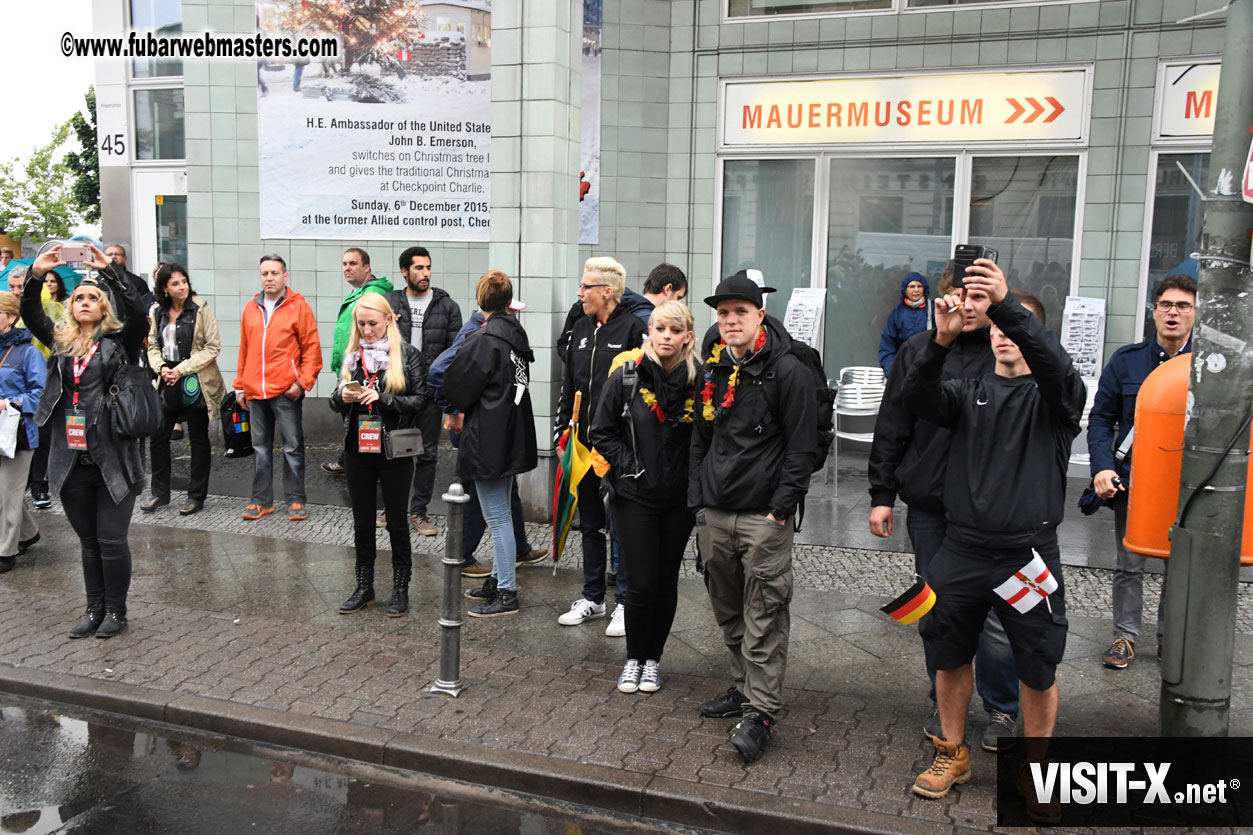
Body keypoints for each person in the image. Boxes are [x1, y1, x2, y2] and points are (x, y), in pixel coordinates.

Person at [903, 262, 1084, 812]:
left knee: (1036, 660)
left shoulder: (1057, 399)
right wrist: (940, 339)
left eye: (1016, 323)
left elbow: (1056, 368)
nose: (1004, 331)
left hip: (1026, 556)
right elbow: (917, 397)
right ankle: (952, 752)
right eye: (1000, 323)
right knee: (946, 649)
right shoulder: (967, 391)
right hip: (960, 550)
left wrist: (1005, 305)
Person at [868, 269, 1020, 753]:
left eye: (978, 297)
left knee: (998, 617)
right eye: (958, 296)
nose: (967, 307)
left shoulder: (1006, 348)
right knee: (939, 610)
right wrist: (881, 494)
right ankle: (944, 695)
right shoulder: (918, 349)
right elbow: (893, 421)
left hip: (994, 511)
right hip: (932, 505)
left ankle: (1002, 704)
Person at [689, 271, 815, 764]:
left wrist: (780, 508)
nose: (729, 321)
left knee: (765, 612)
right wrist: (699, 498)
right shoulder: (714, 368)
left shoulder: (789, 370)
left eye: (739, 312)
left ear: (760, 313)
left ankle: (761, 713)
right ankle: (744, 688)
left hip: (765, 517)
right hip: (716, 513)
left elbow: (804, 447)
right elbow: (701, 437)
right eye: (722, 314)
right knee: (728, 609)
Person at [23, 244, 148, 639]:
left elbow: (139, 315)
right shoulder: (62, 344)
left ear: (103, 306)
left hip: (114, 458)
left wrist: (109, 271)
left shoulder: (120, 343)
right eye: (80, 297)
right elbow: (31, 314)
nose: (86, 302)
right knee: (89, 542)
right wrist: (35, 276)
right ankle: (94, 608)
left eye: (94, 298)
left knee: (112, 540)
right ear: (71, 306)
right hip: (72, 457)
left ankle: (117, 611)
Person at [1088, 274, 1197, 670]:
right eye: (1166, 305)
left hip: (1189, 487)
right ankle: (1125, 637)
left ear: (1194, 314)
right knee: (1128, 563)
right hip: (1136, 483)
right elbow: (1100, 419)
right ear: (1154, 311)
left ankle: (1172, 639)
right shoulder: (1128, 360)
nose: (1173, 313)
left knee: (1179, 566)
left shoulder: (1208, 367)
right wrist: (1101, 466)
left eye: (1183, 306)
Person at [590, 300, 698, 695]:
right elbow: (600, 430)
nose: (666, 336)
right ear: (649, 333)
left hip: (679, 499)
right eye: (659, 329)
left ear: (688, 336)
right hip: (634, 496)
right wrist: (628, 465)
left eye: (674, 330)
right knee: (641, 582)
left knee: (666, 580)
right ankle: (634, 659)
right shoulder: (627, 376)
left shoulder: (699, 382)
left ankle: (653, 659)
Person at [554, 257, 647, 636]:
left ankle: (625, 601)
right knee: (589, 523)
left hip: (617, 449)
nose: (579, 293)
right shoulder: (579, 327)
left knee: (620, 526)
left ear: (607, 292)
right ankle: (593, 596)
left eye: (585, 286)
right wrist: (563, 428)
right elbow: (569, 383)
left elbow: (641, 392)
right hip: (582, 444)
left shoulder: (634, 329)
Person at [427, 301, 548, 576]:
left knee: (502, 502)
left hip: (494, 433)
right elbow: (439, 372)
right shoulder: (477, 334)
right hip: (482, 433)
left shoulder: (501, 335)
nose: (514, 315)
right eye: (511, 309)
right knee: (483, 502)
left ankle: (513, 556)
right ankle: (466, 557)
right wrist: (453, 410)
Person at [444, 271, 538, 618]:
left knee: (497, 518)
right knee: (501, 515)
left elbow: (458, 386)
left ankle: (506, 591)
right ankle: (498, 579)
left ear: (481, 299)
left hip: (490, 438)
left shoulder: (484, 340)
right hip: (512, 434)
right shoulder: (516, 336)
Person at [331, 292, 428, 618]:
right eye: (362, 325)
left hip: (394, 451)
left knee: (397, 522)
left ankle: (401, 589)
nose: (367, 330)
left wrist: (384, 399)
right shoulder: (352, 356)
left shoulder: (408, 355)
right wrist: (342, 395)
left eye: (373, 323)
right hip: (358, 448)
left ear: (389, 320)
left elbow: (421, 401)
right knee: (361, 522)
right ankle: (364, 587)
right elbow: (335, 399)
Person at [234, 255, 323, 522]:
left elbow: (312, 350)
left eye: (274, 273)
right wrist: (240, 386)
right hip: (256, 392)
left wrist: (302, 383)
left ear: (286, 276)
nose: (269, 278)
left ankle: (296, 500)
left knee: (292, 447)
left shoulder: (299, 307)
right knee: (259, 448)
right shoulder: (251, 308)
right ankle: (261, 501)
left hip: (287, 391)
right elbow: (244, 351)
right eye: (264, 273)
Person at [385, 245, 463, 535]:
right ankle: (392, 507)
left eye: (428, 267)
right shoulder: (390, 302)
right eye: (419, 268)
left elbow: (455, 353)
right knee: (392, 449)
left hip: (430, 392)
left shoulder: (447, 306)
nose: (425, 273)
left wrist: (450, 398)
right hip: (397, 389)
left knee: (427, 453)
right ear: (405, 271)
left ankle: (418, 512)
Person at [141, 264, 226, 516]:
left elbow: (213, 347)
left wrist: (182, 368)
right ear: (164, 288)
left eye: (184, 281)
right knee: (158, 437)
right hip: (167, 380)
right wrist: (161, 368)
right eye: (175, 283)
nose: (182, 287)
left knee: (198, 440)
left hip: (195, 379)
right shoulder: (157, 310)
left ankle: (196, 496)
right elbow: (152, 345)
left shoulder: (201, 308)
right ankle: (159, 492)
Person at [322, 248, 392, 476]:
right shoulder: (357, 293)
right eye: (344, 264)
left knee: (363, 418)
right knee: (353, 419)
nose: (347, 268)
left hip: (366, 367)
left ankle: (366, 468)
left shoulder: (370, 295)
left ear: (366, 268)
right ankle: (352, 462)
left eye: (353, 263)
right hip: (350, 365)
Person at [557, 262, 688, 361]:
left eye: (586, 287)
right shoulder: (643, 319)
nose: (580, 293)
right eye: (678, 297)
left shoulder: (632, 319)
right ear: (668, 288)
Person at [0, 291, 46, 572]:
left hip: (18, 433)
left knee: (9, 492)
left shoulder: (28, 352)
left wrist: (8, 403)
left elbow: (41, 394)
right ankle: (29, 533)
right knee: (7, 492)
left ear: (10, 317)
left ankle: (6, 551)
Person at [11, 266, 62, 510]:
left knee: (42, 437)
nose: (16, 292)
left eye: (21, 287)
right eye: (12, 287)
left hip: (44, 383)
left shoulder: (52, 311)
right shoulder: (12, 318)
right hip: (15, 390)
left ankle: (40, 485)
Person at [879, 272, 932, 375]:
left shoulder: (933, 309)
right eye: (912, 286)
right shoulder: (897, 313)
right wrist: (893, 372)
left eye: (919, 286)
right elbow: (887, 346)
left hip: (929, 368)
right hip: (904, 369)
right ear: (905, 290)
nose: (916, 290)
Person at [104, 244, 154, 316]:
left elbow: (144, 307)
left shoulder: (138, 282)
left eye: (117, 254)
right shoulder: (99, 282)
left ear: (125, 258)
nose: (113, 257)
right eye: (110, 254)